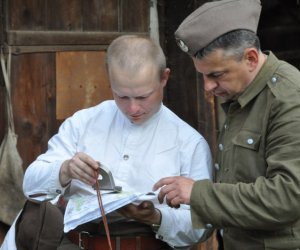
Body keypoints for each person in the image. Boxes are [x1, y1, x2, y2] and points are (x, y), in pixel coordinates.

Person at [1, 35, 213, 250]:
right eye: (122, 96)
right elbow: (31, 186)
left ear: (164, 78)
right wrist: (64, 170)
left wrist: (156, 217)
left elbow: (201, 227)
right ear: (109, 80)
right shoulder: (83, 123)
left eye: (142, 97)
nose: (133, 109)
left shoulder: (189, 143)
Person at [153, 0, 300, 249]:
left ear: (251, 59)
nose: (207, 87)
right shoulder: (245, 94)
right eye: (203, 75)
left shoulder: (288, 98)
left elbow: (287, 197)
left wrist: (198, 193)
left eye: (216, 75)